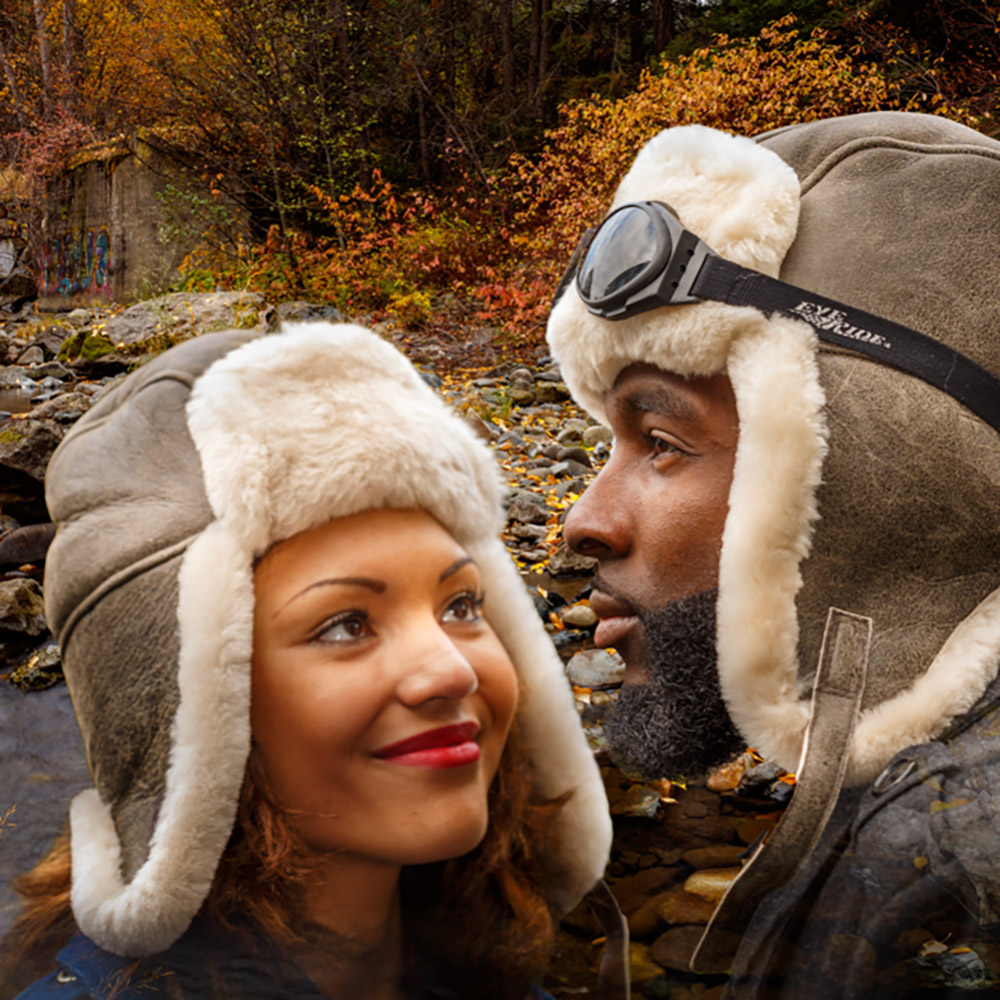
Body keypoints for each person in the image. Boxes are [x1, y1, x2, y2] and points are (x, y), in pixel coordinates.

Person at [1, 322, 614, 999]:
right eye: (346, 624)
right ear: (198, 715)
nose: (453, 671)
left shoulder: (485, 971)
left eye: (463, 607)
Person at [546, 111, 1000, 998]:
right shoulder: (933, 793)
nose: (582, 519)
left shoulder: (955, 857)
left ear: (869, 482)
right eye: (608, 442)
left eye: (662, 441)